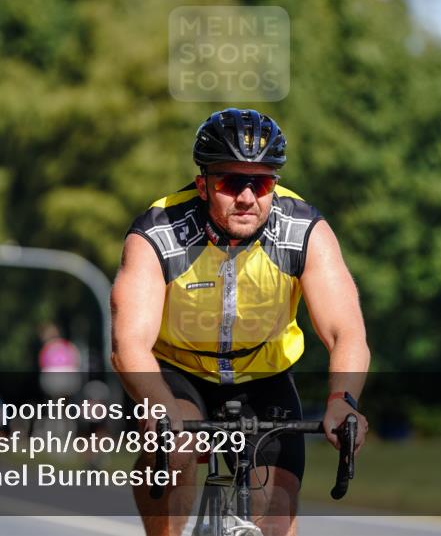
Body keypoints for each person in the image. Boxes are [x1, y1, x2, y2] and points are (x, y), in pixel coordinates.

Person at [111, 108, 369, 536]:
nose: (248, 197)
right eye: (232, 182)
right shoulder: (158, 233)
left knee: (277, 515)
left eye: (262, 182)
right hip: (178, 370)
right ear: (203, 184)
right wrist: (159, 405)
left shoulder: (304, 230)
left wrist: (343, 399)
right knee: (174, 449)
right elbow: (128, 346)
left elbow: (347, 332)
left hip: (263, 374)